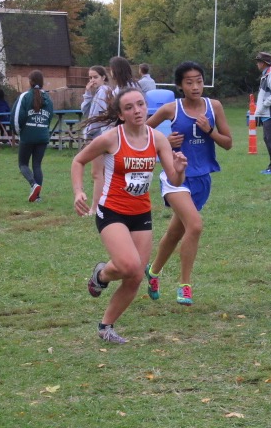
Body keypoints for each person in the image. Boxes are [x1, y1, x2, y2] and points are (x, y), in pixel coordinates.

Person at [72, 87, 188, 344]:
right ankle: (101, 275)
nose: (137, 110)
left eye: (140, 105)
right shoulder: (111, 138)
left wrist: (179, 169)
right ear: (121, 114)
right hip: (112, 210)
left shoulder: (157, 139)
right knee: (129, 265)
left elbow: (174, 178)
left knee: (135, 276)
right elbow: (78, 161)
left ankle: (106, 326)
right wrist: (79, 192)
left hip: (141, 214)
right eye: (129, 107)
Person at [144, 61, 232, 305]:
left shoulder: (214, 107)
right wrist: (163, 141)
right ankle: (185, 285)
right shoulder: (171, 109)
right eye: (189, 82)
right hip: (176, 177)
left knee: (175, 232)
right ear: (180, 86)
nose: (195, 86)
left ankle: (152, 272)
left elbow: (228, 143)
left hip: (202, 179)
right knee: (195, 226)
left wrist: (210, 130)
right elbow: (141, 136)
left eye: (199, 81)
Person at [12, 70, 54, 201]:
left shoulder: (24, 96)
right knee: (37, 165)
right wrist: (44, 131)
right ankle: (37, 197)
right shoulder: (48, 98)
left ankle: (33, 184)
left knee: (23, 164)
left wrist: (18, 132)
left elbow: (17, 116)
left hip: (28, 135)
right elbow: (50, 117)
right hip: (42, 135)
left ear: (30, 81)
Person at [81, 65, 113, 214]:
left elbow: (97, 118)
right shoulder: (97, 92)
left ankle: (95, 208)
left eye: (95, 77)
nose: (92, 80)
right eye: (90, 78)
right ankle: (105, 205)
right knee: (104, 173)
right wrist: (88, 93)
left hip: (99, 136)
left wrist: (90, 134)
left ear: (103, 77)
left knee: (97, 173)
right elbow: (85, 110)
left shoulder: (104, 91)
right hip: (100, 135)